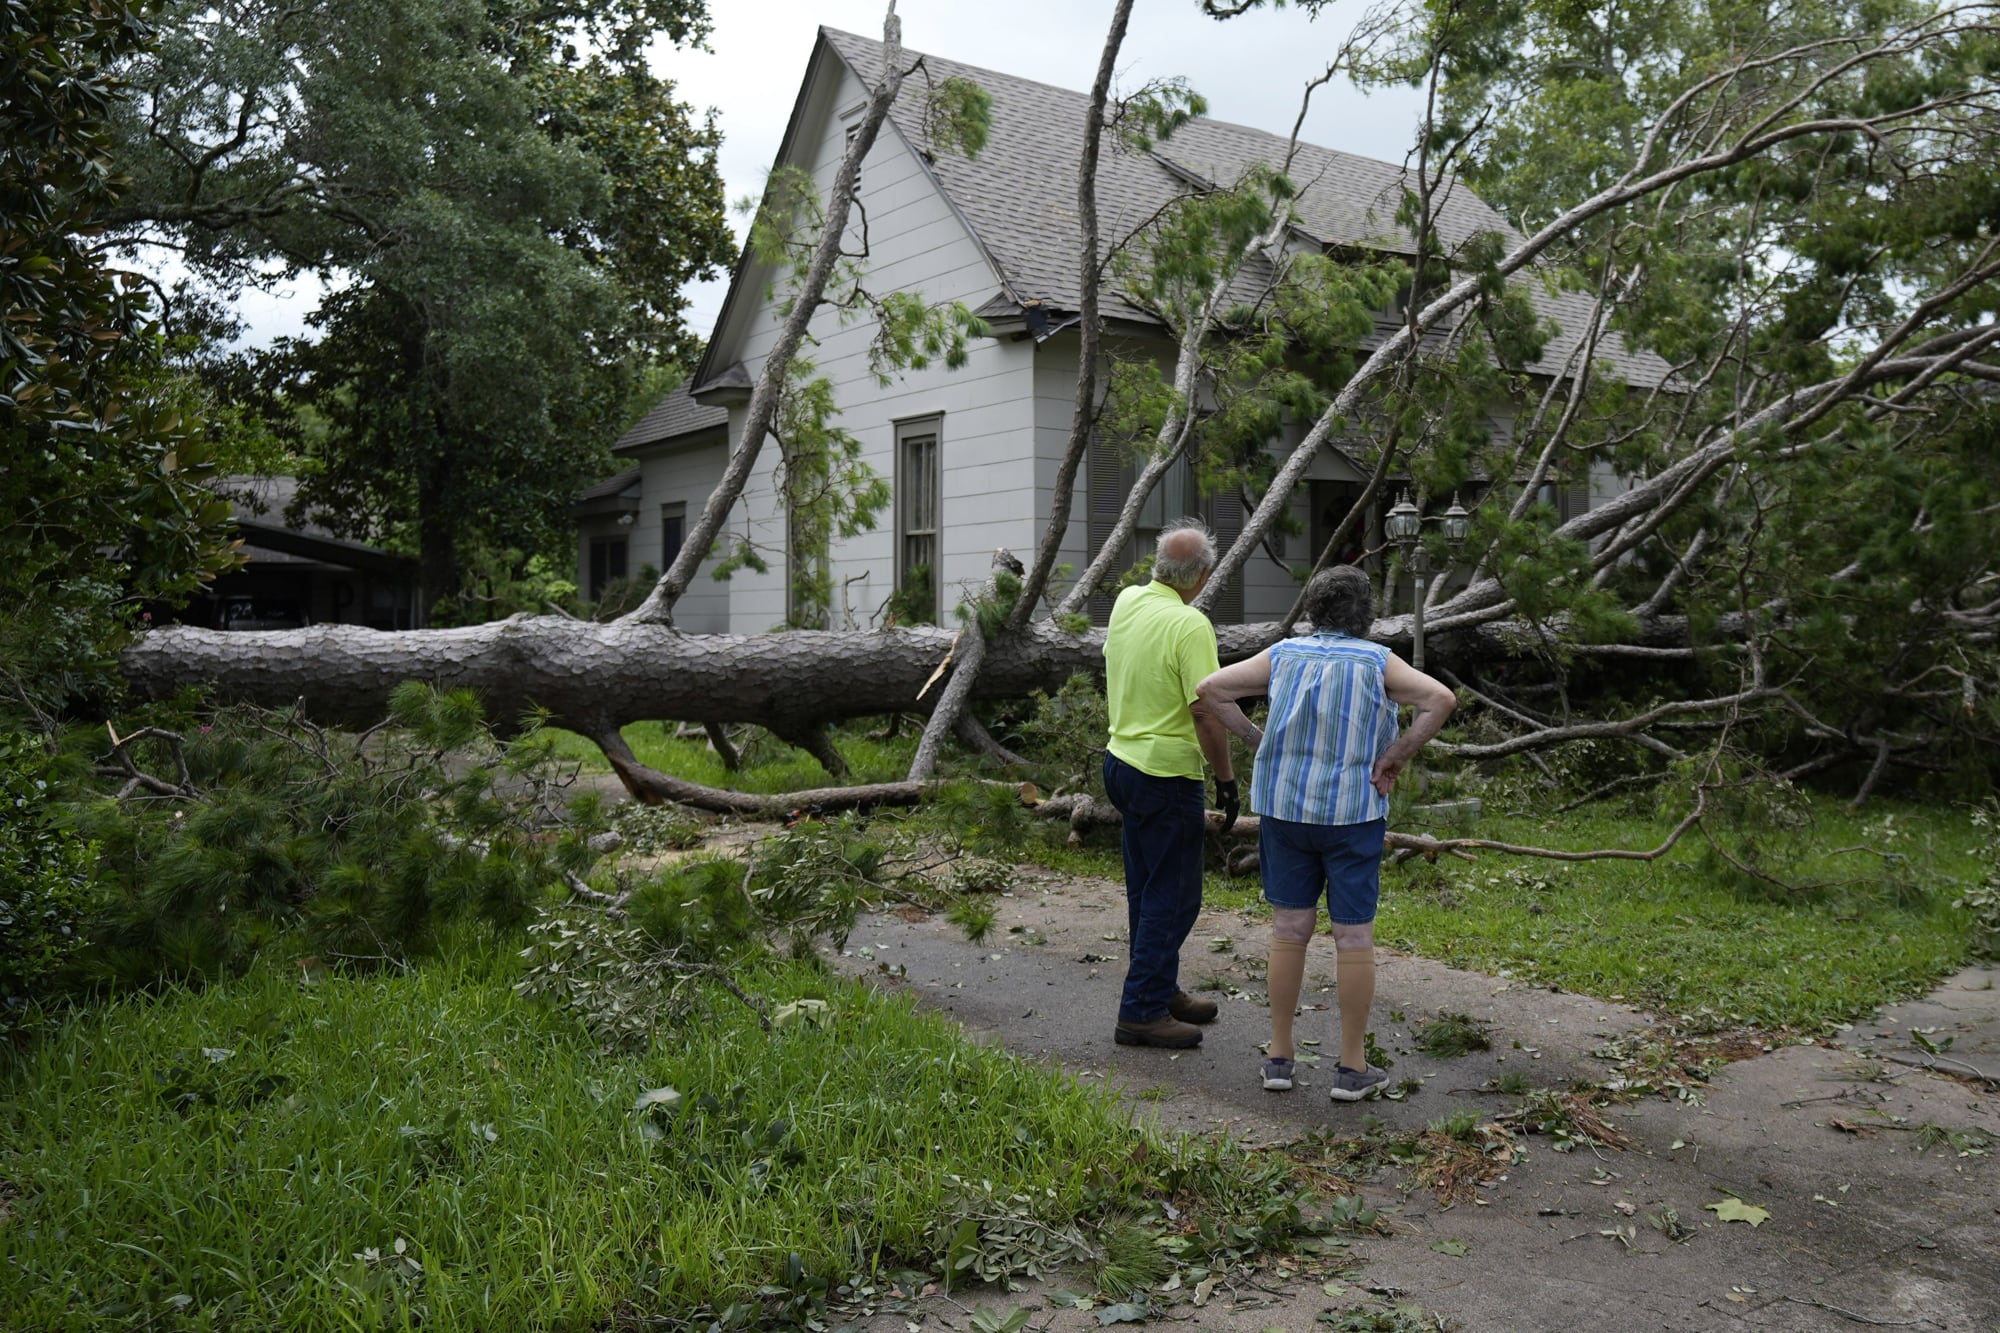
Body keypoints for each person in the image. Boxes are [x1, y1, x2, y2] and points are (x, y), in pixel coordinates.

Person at [1195, 565, 1455, 1099]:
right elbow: (1440, 700)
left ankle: (1279, 1058)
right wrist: (1396, 755)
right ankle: (1352, 1068)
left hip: (1286, 810)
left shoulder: (1285, 654)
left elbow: (1210, 690)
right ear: (1366, 614)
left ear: (1313, 610)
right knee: (1353, 935)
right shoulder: (1377, 660)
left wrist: (1254, 738)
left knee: (1289, 930)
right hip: (1353, 812)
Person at [1101, 518, 1240, 1049]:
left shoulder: (1127, 602)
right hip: (1165, 773)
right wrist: (1225, 780)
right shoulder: (1191, 625)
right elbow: (1206, 711)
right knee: (1175, 897)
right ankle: (1140, 1011)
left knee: (1146, 888)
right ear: (1202, 576)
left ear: (1159, 566)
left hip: (1120, 762)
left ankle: (1160, 989)